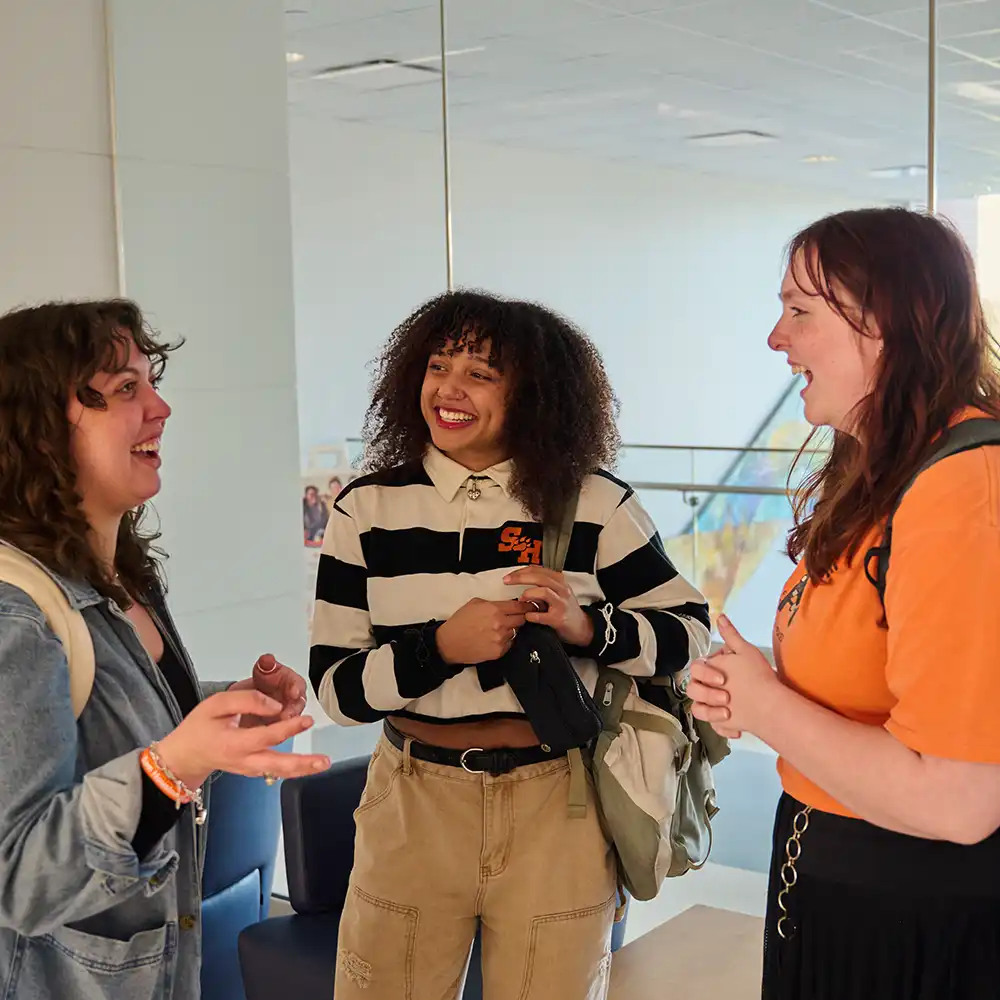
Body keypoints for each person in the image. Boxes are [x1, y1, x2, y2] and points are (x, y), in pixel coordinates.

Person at [310, 289, 710, 999]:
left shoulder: (593, 504)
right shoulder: (366, 509)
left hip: (558, 802)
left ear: (533, 395)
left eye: (480, 374)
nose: (449, 390)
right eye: (438, 366)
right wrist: (440, 647)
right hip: (412, 800)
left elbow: (689, 635)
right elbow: (337, 690)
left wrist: (589, 627)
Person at [687, 208, 1000, 1000]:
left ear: (887, 323)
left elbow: (960, 801)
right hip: (836, 885)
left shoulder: (963, 489)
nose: (775, 338)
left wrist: (768, 707)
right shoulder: (886, 471)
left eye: (801, 312)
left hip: (916, 916)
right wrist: (759, 692)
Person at [0, 300, 331, 1000]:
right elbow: (22, 878)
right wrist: (172, 765)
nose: (161, 408)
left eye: (149, 383)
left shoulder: (121, 576)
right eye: (125, 390)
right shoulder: (14, 617)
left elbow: (99, 727)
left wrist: (220, 714)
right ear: (38, 429)